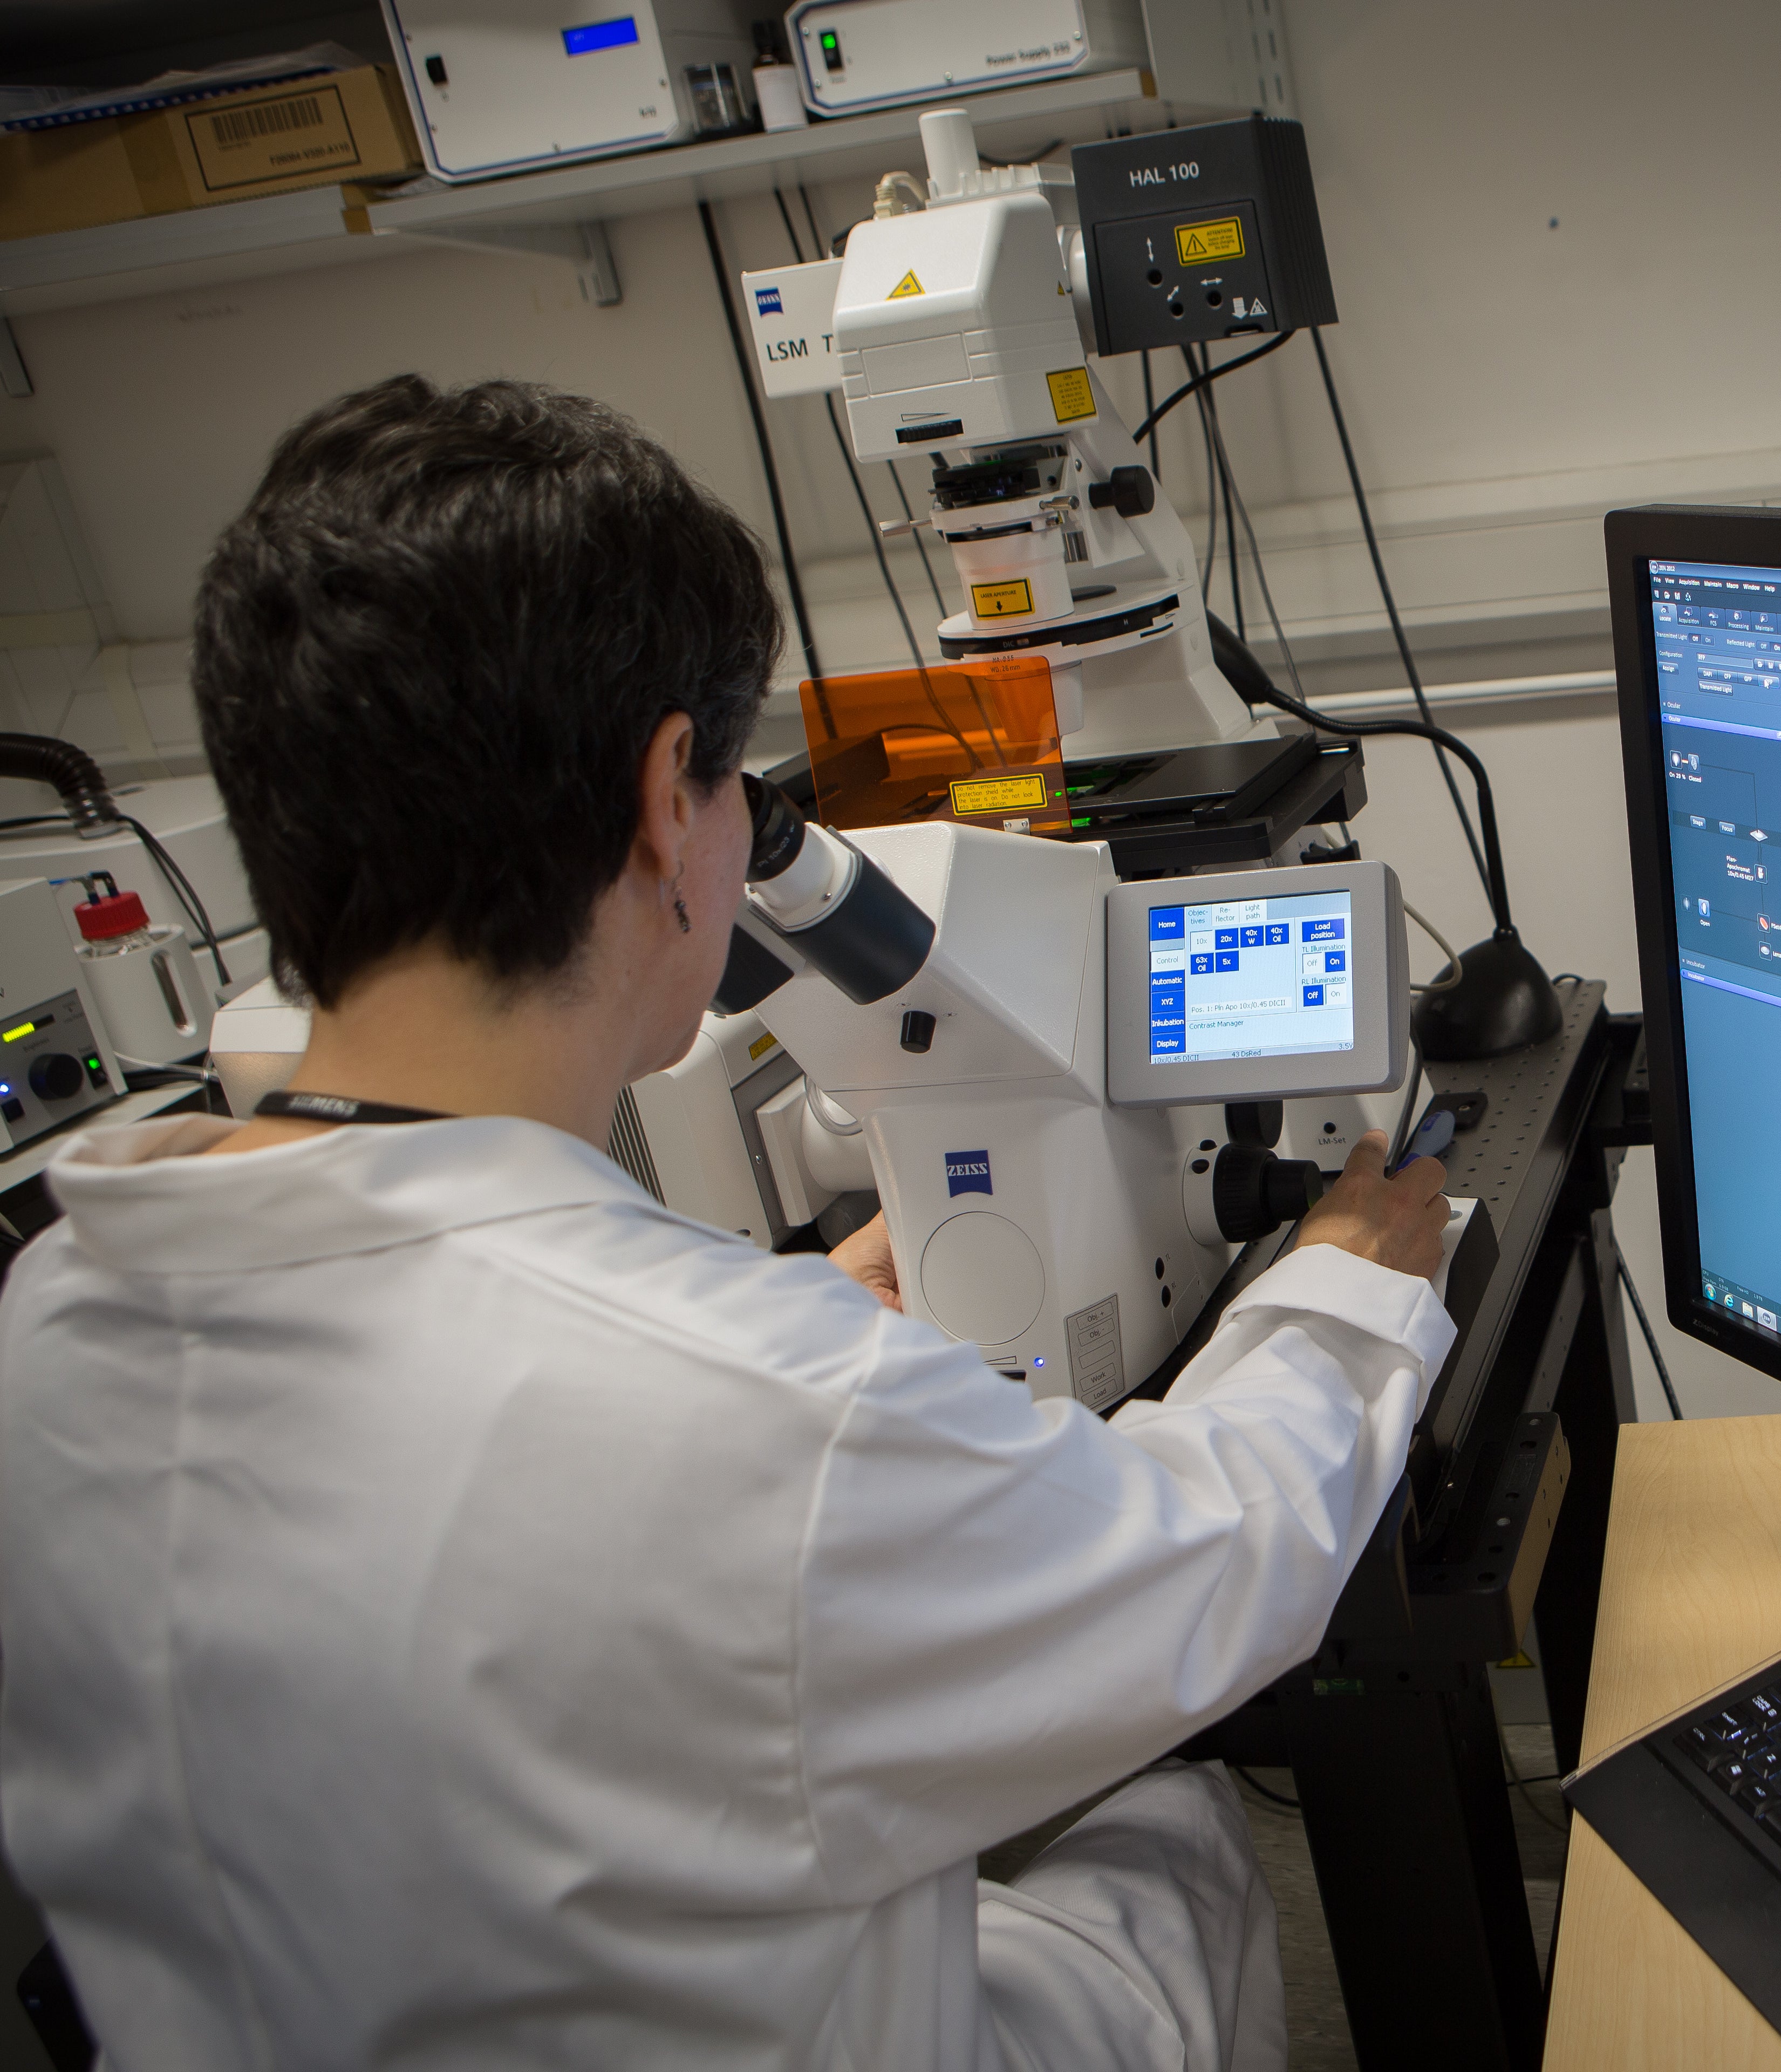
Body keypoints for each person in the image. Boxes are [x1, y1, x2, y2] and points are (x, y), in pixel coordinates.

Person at [0, 377, 1456, 2069]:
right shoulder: (751, 1411)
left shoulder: (55, 1318)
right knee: (1174, 1848)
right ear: (662, 805)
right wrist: (1344, 1292)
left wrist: (768, 1346)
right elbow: (1216, 1571)